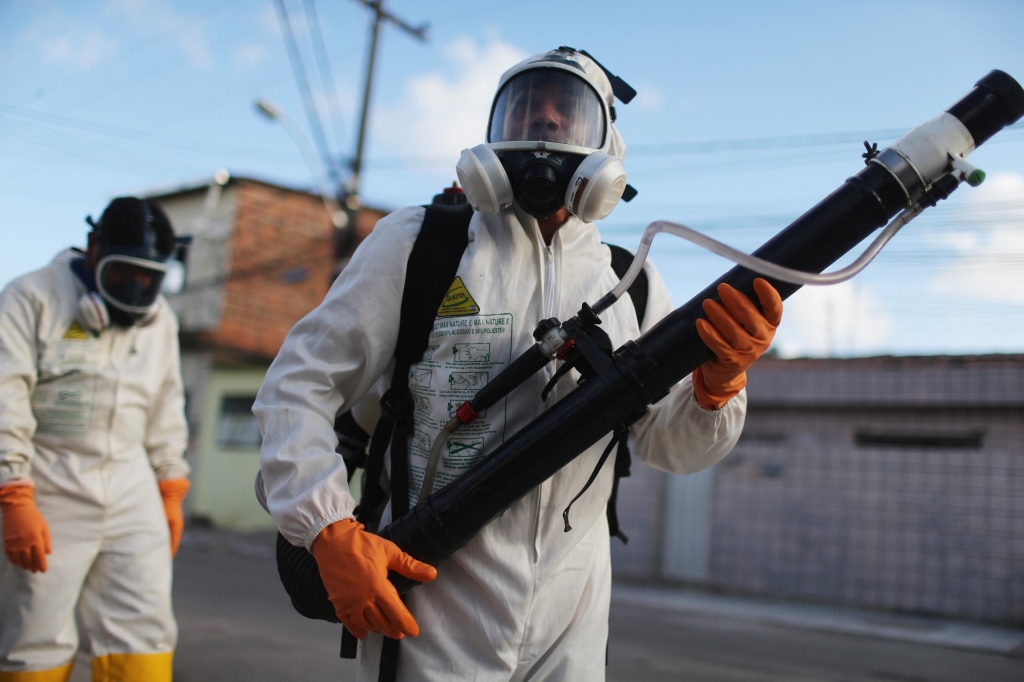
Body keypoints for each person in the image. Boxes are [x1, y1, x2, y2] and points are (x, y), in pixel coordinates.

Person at [254, 48, 783, 681]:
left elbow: (672, 446)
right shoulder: (422, 245)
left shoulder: (630, 284)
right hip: (430, 600)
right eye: (528, 108)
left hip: (574, 621)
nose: (547, 122)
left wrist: (717, 385)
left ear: (608, 149)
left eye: (568, 112)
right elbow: (298, 385)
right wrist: (327, 528)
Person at [0, 197, 191, 682]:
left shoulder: (161, 320)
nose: (136, 287)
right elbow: (6, 395)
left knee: (145, 630)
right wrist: (13, 491)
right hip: (49, 486)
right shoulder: (32, 297)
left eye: (149, 277)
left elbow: (167, 402)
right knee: (35, 633)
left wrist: (171, 487)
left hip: (132, 488)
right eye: (124, 272)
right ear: (93, 250)